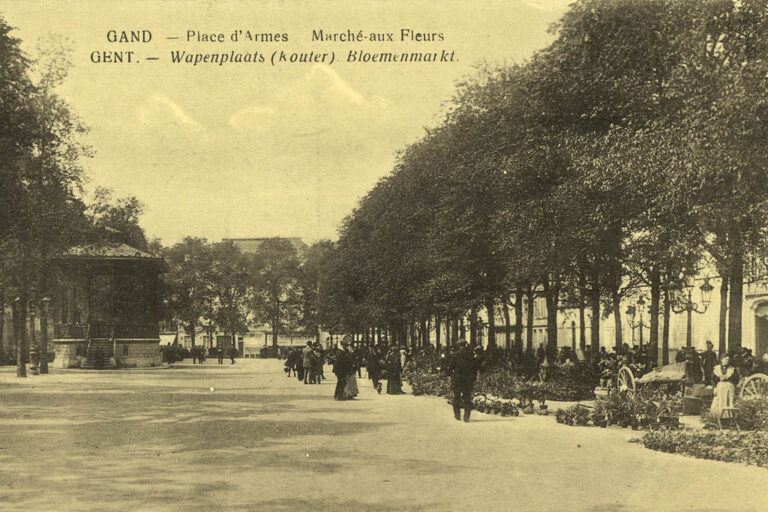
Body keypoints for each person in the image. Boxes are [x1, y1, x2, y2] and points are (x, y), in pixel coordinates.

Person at [446, 339, 482, 422]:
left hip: (457, 379)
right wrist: (474, 377)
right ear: (465, 345)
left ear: (458, 346)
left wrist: (450, 376)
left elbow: (450, 367)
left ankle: (457, 415)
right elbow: (474, 367)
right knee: (467, 398)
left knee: (456, 397)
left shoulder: (454, 355)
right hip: (467, 379)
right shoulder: (471, 355)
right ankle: (466, 417)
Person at [711, 354, 738, 419]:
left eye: (728, 360)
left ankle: (729, 417)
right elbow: (713, 379)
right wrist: (714, 387)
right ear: (722, 360)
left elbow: (736, 379)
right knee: (719, 401)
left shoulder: (732, 369)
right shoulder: (716, 368)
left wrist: (732, 383)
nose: (727, 361)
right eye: (725, 359)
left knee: (729, 401)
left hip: (729, 387)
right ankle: (718, 416)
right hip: (720, 387)